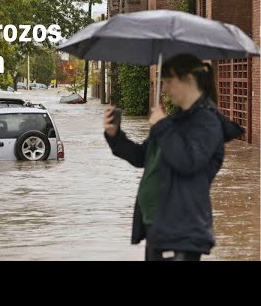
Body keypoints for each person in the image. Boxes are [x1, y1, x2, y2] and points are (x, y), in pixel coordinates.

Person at [103, 54, 244, 261]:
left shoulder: (207, 122)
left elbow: (188, 162)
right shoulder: (174, 121)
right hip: (159, 225)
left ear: (188, 80)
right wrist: (115, 135)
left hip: (182, 229)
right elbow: (142, 157)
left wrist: (161, 125)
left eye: (169, 81)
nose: (166, 88)